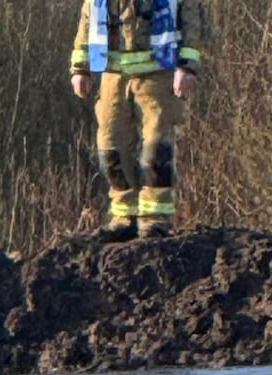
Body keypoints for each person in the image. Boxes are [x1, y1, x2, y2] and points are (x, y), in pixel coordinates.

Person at [70, 0, 208, 240]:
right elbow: (88, 18)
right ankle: (125, 216)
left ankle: (155, 220)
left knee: (156, 150)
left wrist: (187, 68)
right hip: (113, 75)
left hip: (159, 72)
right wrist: (80, 69)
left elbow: (192, 24)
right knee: (111, 149)